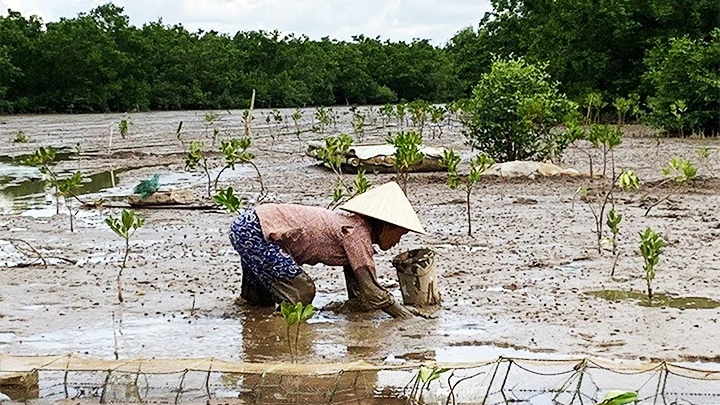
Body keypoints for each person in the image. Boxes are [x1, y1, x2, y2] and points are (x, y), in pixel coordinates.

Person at [229, 181, 426, 318]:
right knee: (301, 291)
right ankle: (277, 332)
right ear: (387, 226)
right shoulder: (356, 234)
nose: (398, 242)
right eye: (400, 234)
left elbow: (362, 294)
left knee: (260, 303)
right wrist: (403, 314)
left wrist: (353, 307)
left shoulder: (355, 230)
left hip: (250, 225)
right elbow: (372, 290)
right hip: (254, 230)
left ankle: (255, 319)